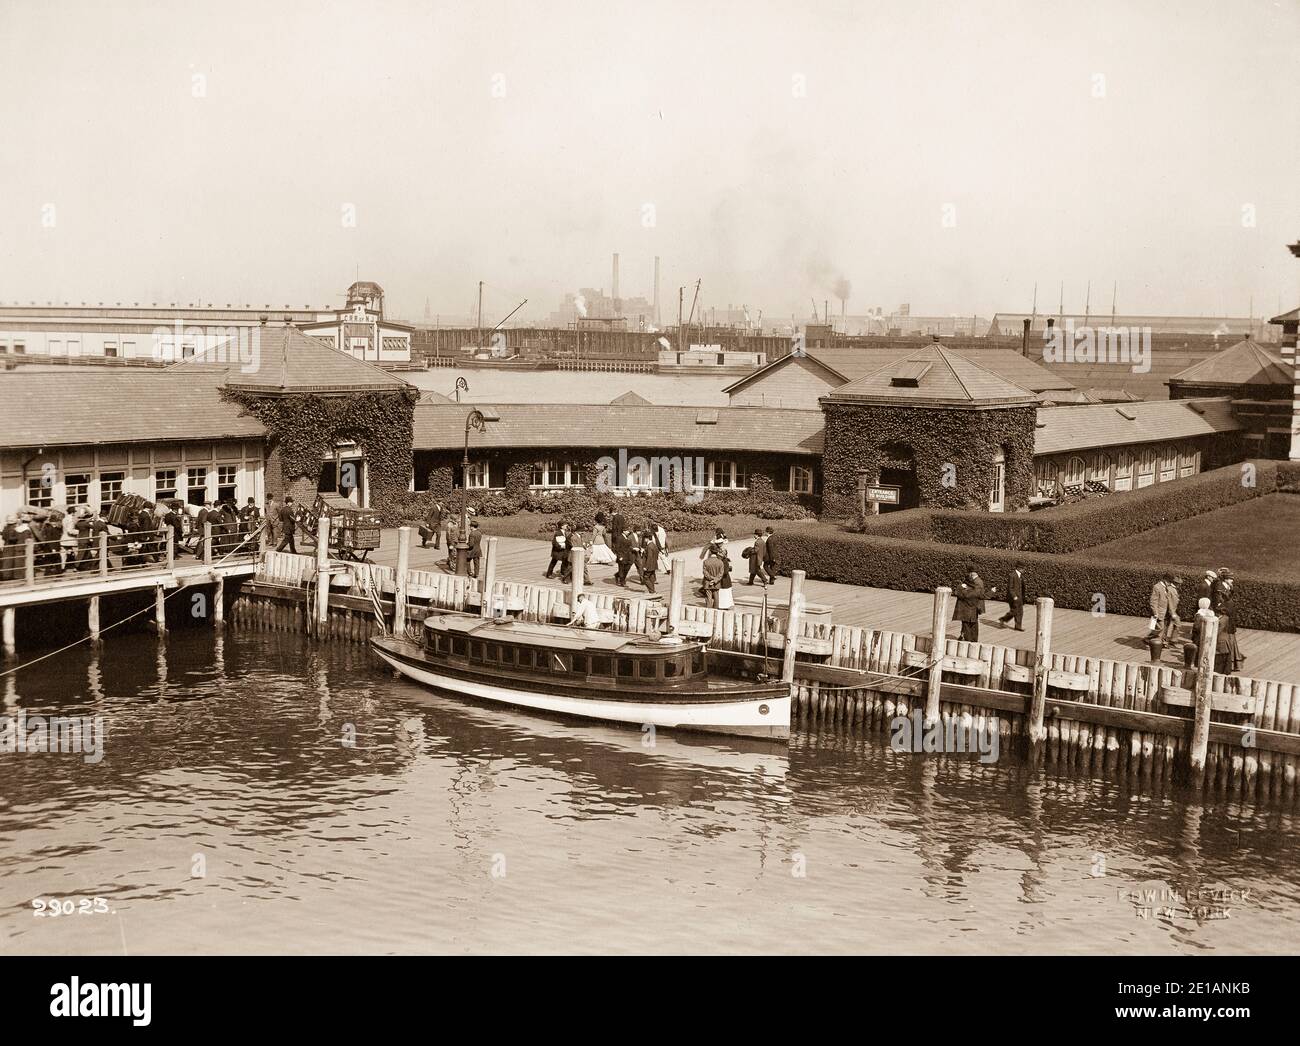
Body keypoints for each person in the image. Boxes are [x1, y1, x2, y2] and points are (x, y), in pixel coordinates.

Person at [952, 565, 985, 642]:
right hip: (973, 606)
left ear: (971, 573)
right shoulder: (976, 581)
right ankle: (964, 635)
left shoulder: (977, 582)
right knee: (969, 622)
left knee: (969, 623)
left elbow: (973, 595)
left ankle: (969, 638)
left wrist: (963, 589)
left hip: (973, 606)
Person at [1149, 572, 1181, 644]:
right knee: (1159, 628)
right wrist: (1155, 613)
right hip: (1158, 613)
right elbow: (1153, 601)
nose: (1170, 584)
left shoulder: (1166, 587)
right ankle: (1148, 639)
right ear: (1165, 580)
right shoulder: (1157, 587)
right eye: (1169, 582)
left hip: (1164, 612)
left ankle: (1158, 642)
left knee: (1159, 628)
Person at [996, 562, 1026, 630]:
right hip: (1014, 597)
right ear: (1018, 568)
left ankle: (1018, 626)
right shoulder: (1012, 575)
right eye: (1023, 568)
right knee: (1014, 611)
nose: (1024, 570)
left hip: (1020, 597)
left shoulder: (1021, 576)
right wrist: (1014, 596)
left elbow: (1022, 587)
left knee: (1020, 612)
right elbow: (1010, 588)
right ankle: (1003, 619)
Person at [639, 527, 661, 595]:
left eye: (644, 539)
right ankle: (653, 590)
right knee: (651, 578)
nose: (644, 540)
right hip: (654, 565)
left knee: (645, 578)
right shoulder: (654, 545)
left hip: (649, 565)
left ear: (646, 538)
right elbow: (656, 554)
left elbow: (649, 557)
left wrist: (646, 566)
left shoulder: (649, 547)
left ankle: (652, 591)